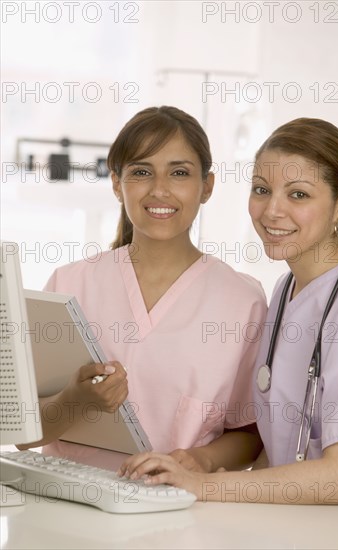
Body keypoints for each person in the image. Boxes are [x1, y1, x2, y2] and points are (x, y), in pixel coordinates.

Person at [118, 118, 338, 504]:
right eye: (262, 190)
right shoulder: (286, 290)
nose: (272, 211)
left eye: (298, 195)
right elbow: (281, 447)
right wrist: (196, 468)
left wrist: (201, 487)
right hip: (299, 524)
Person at [20, 106, 267, 472]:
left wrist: (198, 459)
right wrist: (75, 400)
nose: (160, 189)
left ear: (207, 187)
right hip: (66, 511)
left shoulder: (243, 302)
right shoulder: (68, 285)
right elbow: (22, 431)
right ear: (117, 184)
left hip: (179, 516)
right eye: (141, 172)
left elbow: (251, 434)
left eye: (179, 172)